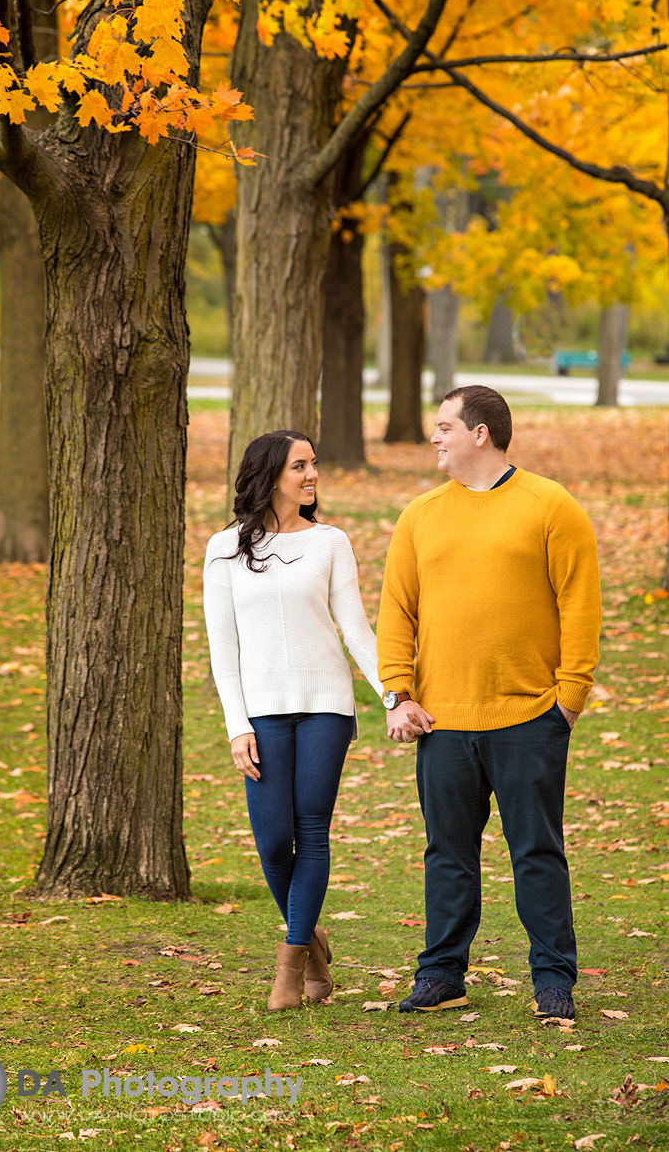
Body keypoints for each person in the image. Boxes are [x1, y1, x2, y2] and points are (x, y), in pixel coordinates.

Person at [377, 386, 600, 1020]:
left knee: (537, 853)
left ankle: (554, 981)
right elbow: (396, 610)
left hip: (531, 718)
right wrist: (398, 693)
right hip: (442, 723)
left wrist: (569, 700)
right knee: (447, 855)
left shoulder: (551, 507)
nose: (435, 438)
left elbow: (580, 609)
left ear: (481, 434)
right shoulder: (420, 515)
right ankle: (442, 974)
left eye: (444, 426)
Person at [203, 430, 382, 1011]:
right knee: (274, 841)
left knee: (311, 832)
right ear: (270, 475)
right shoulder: (224, 549)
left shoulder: (331, 542)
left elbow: (355, 628)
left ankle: (290, 965)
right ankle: (313, 942)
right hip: (262, 712)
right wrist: (237, 726)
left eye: (314, 465)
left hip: (327, 704)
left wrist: (393, 694)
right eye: (299, 466)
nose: (311, 475)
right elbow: (221, 650)